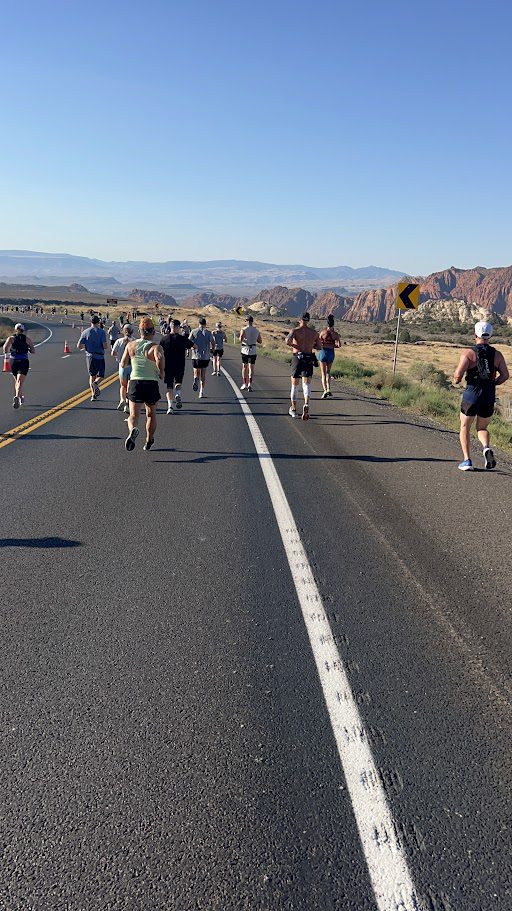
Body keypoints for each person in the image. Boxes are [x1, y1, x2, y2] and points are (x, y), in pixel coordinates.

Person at [453, 320, 509, 471]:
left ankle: (467, 461)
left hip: (471, 394)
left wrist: (456, 381)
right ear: (490, 336)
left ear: (475, 335)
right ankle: (486, 448)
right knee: (482, 428)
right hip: (488, 396)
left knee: (465, 426)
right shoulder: (497, 354)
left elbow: (458, 375)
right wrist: (493, 383)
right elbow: (505, 375)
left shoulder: (469, 353)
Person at [120, 317, 164, 452]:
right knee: (151, 414)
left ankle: (132, 430)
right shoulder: (155, 347)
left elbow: (122, 364)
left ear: (140, 331)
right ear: (153, 332)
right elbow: (160, 357)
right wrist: (161, 371)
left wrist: (132, 361)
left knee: (133, 414)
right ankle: (149, 439)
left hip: (135, 382)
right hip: (151, 382)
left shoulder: (130, 345)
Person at [286, 312, 321, 420]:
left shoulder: (295, 331)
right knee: (306, 384)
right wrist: (312, 344)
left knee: (295, 384)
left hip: (297, 357)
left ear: (300, 319)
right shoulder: (314, 333)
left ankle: (294, 409)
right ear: (308, 320)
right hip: (308, 357)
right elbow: (319, 346)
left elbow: (287, 341)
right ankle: (306, 404)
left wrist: (294, 345)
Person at [160, 319, 195, 413]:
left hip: (168, 365)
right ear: (178, 327)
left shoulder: (164, 339)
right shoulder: (182, 339)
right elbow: (194, 346)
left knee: (169, 386)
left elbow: (159, 352)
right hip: (180, 364)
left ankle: (170, 407)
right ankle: (178, 394)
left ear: (170, 327)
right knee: (178, 382)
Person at [3, 323, 35, 409]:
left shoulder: (11, 338)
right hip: (23, 361)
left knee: (17, 381)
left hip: (13, 361)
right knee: (20, 382)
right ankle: (17, 396)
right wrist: (28, 349)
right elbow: (33, 351)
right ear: (23, 330)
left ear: (15, 329)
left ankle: (21, 398)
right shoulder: (27, 339)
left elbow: (5, 348)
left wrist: (7, 355)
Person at [77, 314, 109, 401]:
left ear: (90, 322)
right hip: (100, 356)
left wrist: (87, 346)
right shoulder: (102, 332)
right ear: (98, 322)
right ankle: (96, 383)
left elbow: (79, 346)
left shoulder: (85, 332)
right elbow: (105, 346)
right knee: (101, 375)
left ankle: (93, 395)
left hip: (90, 356)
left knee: (92, 375)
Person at [111, 323, 134, 413]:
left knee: (123, 386)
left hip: (122, 366)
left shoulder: (119, 341)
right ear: (132, 331)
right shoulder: (135, 341)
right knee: (130, 386)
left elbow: (113, 353)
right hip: (132, 366)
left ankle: (122, 400)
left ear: (123, 331)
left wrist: (119, 356)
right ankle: (127, 405)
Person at [189, 317, 214, 398]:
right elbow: (213, 342)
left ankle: (195, 378)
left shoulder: (194, 331)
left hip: (195, 356)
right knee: (203, 374)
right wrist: (212, 350)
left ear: (198, 323)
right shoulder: (208, 333)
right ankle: (201, 392)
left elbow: (189, 342)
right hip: (205, 357)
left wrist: (192, 347)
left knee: (196, 371)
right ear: (205, 324)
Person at [318, 314, 341, 398]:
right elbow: (339, 345)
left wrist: (325, 344)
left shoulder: (322, 333)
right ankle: (329, 389)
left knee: (323, 374)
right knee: (328, 372)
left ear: (327, 324)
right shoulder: (335, 334)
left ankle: (324, 391)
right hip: (331, 353)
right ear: (333, 324)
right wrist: (332, 345)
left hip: (323, 352)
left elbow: (318, 343)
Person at [239, 315, 262, 391]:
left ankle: (244, 384)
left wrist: (244, 339)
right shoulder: (256, 330)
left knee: (244, 367)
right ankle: (250, 384)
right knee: (251, 368)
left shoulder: (243, 329)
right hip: (253, 350)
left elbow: (240, 339)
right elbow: (260, 341)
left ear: (246, 321)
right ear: (252, 321)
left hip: (245, 349)